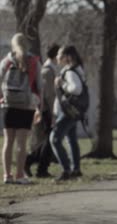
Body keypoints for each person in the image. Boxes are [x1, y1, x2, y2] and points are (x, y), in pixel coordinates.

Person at [1, 33, 42, 184]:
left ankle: (7, 175)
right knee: (21, 143)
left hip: (8, 104)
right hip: (26, 106)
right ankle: (19, 175)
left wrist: (2, 98)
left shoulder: (6, 61)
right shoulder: (33, 61)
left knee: (8, 141)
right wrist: (40, 106)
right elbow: (39, 85)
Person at [49, 45, 85, 181]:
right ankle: (75, 169)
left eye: (60, 55)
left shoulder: (69, 72)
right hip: (72, 111)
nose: (57, 57)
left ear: (67, 57)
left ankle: (66, 170)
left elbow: (77, 89)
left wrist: (62, 84)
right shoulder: (77, 69)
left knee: (55, 139)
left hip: (68, 112)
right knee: (71, 139)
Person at [24, 44, 60, 178]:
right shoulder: (47, 71)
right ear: (56, 55)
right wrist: (53, 113)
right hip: (47, 110)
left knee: (49, 140)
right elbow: (48, 95)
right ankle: (37, 166)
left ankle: (37, 165)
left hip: (48, 110)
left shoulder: (52, 69)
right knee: (50, 140)